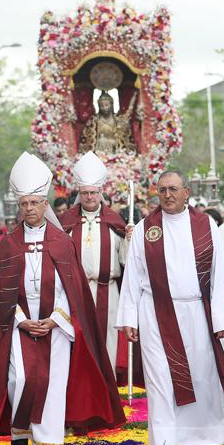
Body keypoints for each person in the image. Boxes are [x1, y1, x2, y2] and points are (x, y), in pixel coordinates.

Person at [0, 151, 125, 445]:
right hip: (19, 325)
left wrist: (55, 320)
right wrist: (21, 320)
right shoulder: (10, 243)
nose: (29, 208)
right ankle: (19, 428)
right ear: (19, 206)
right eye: (24, 203)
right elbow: (0, 293)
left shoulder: (61, 241)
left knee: (53, 383)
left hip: (56, 326)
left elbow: (73, 290)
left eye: (34, 203)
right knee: (21, 380)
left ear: (45, 204)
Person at [117, 170, 224, 445]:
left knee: (203, 374)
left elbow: (220, 272)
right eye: (162, 190)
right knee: (160, 377)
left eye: (173, 189)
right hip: (155, 311)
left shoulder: (205, 224)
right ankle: (164, 441)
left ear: (186, 192)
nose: (167, 195)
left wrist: (222, 318)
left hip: (197, 311)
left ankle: (208, 436)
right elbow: (133, 274)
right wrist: (129, 316)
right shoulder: (147, 228)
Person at [59, 151, 130, 375]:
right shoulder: (66, 224)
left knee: (109, 338)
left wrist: (129, 239)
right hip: (78, 293)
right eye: (85, 193)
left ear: (101, 192)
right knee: (80, 339)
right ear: (79, 193)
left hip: (108, 290)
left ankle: (107, 384)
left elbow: (125, 261)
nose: (89, 197)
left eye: (94, 192)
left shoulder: (115, 223)